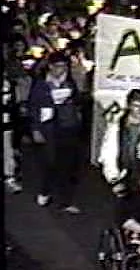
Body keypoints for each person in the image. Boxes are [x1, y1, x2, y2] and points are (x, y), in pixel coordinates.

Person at [27, 51, 82, 213]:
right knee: (49, 162)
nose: (62, 70)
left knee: (68, 165)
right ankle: (45, 191)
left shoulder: (69, 82)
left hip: (68, 127)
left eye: (64, 66)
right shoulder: (41, 84)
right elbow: (33, 107)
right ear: (50, 66)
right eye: (58, 66)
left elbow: (78, 100)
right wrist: (36, 129)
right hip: (49, 128)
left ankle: (65, 200)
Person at [98, 88, 140, 198]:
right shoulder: (116, 128)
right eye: (136, 106)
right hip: (122, 178)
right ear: (129, 106)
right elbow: (107, 154)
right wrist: (113, 179)